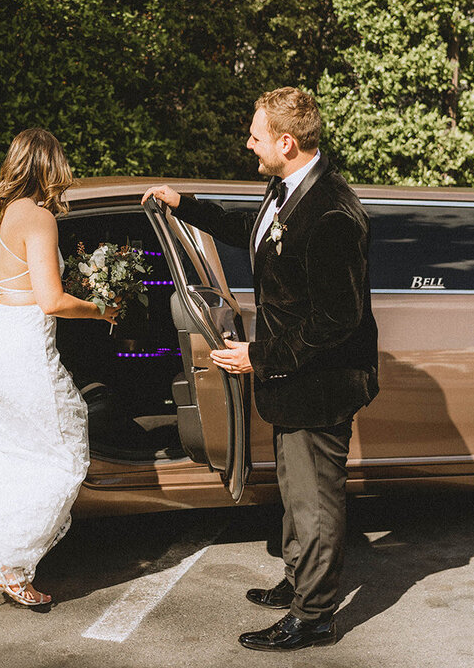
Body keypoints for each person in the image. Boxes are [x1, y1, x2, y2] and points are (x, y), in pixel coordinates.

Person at [143, 87, 378, 651]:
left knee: (317, 501)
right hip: (291, 380)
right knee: (296, 490)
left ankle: (315, 615)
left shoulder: (332, 215)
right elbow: (254, 232)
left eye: (256, 136)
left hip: (319, 384)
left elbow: (334, 321)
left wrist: (259, 356)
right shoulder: (287, 188)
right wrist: (186, 205)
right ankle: (299, 580)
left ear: (287, 142)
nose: (249, 144)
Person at [0, 127, 118, 610]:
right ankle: (12, 563)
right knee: (64, 456)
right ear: (51, 168)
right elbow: (53, 300)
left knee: (8, 450)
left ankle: (3, 560)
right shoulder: (38, 218)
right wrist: (101, 311)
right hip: (24, 350)